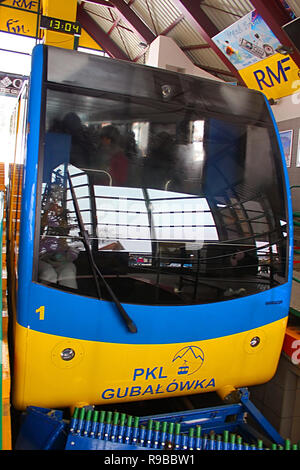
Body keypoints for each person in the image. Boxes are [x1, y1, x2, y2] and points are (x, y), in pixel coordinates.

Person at [38, 186, 79, 289]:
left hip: (62, 259)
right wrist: (46, 214)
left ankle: (69, 303)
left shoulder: (67, 223)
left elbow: (74, 247)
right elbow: (37, 237)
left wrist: (68, 253)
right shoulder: (40, 217)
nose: (56, 207)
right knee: (49, 274)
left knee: (68, 273)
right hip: (40, 258)